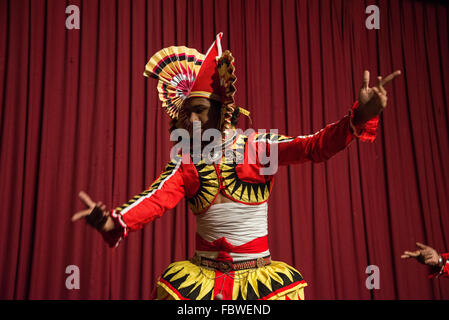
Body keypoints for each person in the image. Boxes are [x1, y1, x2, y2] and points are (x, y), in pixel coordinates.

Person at [72, 33, 401, 300]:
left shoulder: (259, 147)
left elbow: (313, 146)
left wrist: (357, 117)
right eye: (188, 114)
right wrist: (112, 221)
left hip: (260, 284)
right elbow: (155, 200)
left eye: (200, 110)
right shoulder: (186, 161)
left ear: (221, 110)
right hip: (201, 283)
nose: (194, 120)